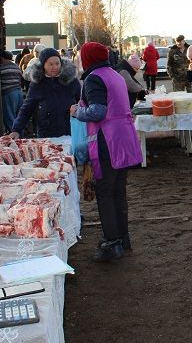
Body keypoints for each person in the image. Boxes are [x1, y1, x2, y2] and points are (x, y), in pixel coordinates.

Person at [71, 42, 142, 262]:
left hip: (107, 141)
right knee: (118, 190)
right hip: (124, 137)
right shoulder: (115, 74)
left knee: (105, 191)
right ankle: (123, 236)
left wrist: (77, 111)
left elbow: (98, 111)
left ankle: (112, 242)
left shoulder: (93, 79)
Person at [10, 48, 81, 138]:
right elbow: (26, 109)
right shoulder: (37, 84)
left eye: (57, 63)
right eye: (50, 64)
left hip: (70, 130)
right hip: (47, 133)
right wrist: (17, 129)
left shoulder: (71, 80)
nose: (55, 67)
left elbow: (82, 101)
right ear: (43, 65)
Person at [0, 50, 24, 133]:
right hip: (19, 92)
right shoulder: (16, 66)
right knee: (19, 117)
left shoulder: (1, 68)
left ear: (2, 58)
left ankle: (15, 138)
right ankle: (21, 136)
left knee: (9, 117)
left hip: (9, 93)